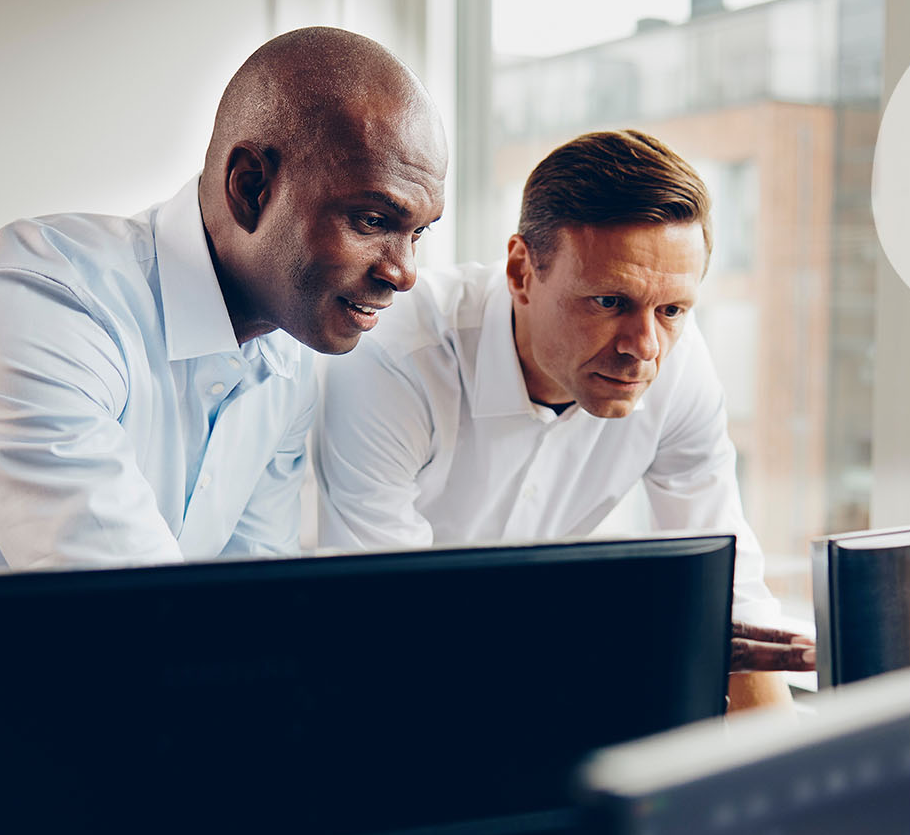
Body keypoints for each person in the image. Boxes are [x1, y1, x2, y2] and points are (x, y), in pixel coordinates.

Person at [0, 27, 446, 585]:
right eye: (372, 219)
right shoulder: (32, 308)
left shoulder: (284, 370)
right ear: (250, 186)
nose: (404, 272)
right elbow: (130, 626)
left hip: (1, 709)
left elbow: (243, 620)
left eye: (418, 234)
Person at [313, 129, 811, 709]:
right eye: (608, 301)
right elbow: (392, 623)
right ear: (522, 271)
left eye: (672, 309)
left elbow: (731, 603)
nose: (644, 347)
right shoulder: (398, 354)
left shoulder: (676, 363)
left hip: (526, 679)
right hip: (347, 685)